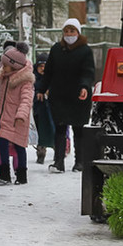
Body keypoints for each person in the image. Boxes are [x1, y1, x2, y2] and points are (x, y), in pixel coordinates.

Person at [36, 18, 95, 173]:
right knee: (60, 128)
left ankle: (79, 162)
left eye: (72, 31)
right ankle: (59, 162)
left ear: (78, 33)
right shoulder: (56, 49)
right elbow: (48, 72)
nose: (69, 34)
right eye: (66, 31)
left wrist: (84, 87)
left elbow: (88, 72)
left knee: (78, 128)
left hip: (78, 96)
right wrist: (41, 89)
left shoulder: (85, 51)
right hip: (59, 96)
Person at [0, 42, 34, 184]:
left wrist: (21, 114)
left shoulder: (25, 81)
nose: (3, 67)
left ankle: (21, 175)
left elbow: (26, 100)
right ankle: (4, 173)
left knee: (19, 146)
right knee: (2, 144)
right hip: (4, 119)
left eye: (6, 65)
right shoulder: (5, 77)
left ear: (15, 66)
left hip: (17, 120)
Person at [32, 53, 55, 164]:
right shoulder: (33, 78)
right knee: (40, 133)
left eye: (45, 66)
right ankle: (41, 153)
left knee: (54, 131)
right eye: (40, 66)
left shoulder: (53, 77)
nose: (43, 69)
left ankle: (58, 152)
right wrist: (38, 94)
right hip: (39, 110)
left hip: (52, 110)